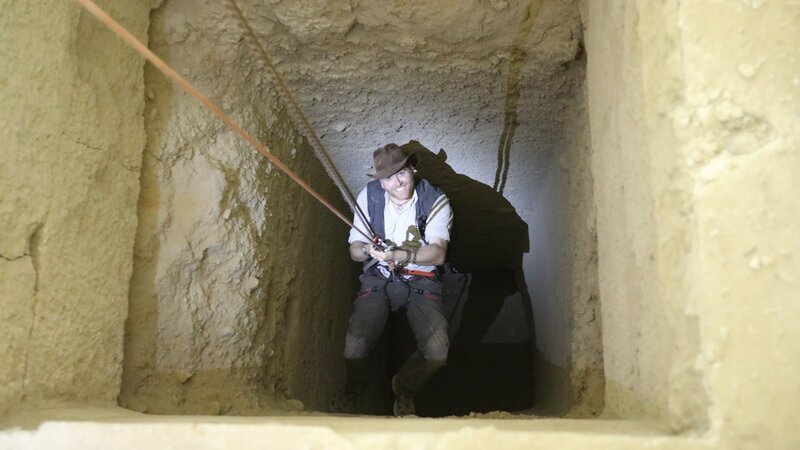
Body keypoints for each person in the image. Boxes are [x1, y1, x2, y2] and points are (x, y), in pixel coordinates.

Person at [342, 143, 454, 416]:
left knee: (437, 354)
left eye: (401, 173)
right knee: (353, 349)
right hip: (379, 278)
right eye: (387, 178)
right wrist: (369, 249)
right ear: (380, 182)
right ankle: (358, 385)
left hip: (421, 279)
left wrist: (400, 254)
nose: (396, 183)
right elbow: (355, 251)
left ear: (412, 168)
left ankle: (404, 385)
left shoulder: (436, 201)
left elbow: (437, 254)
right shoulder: (368, 197)